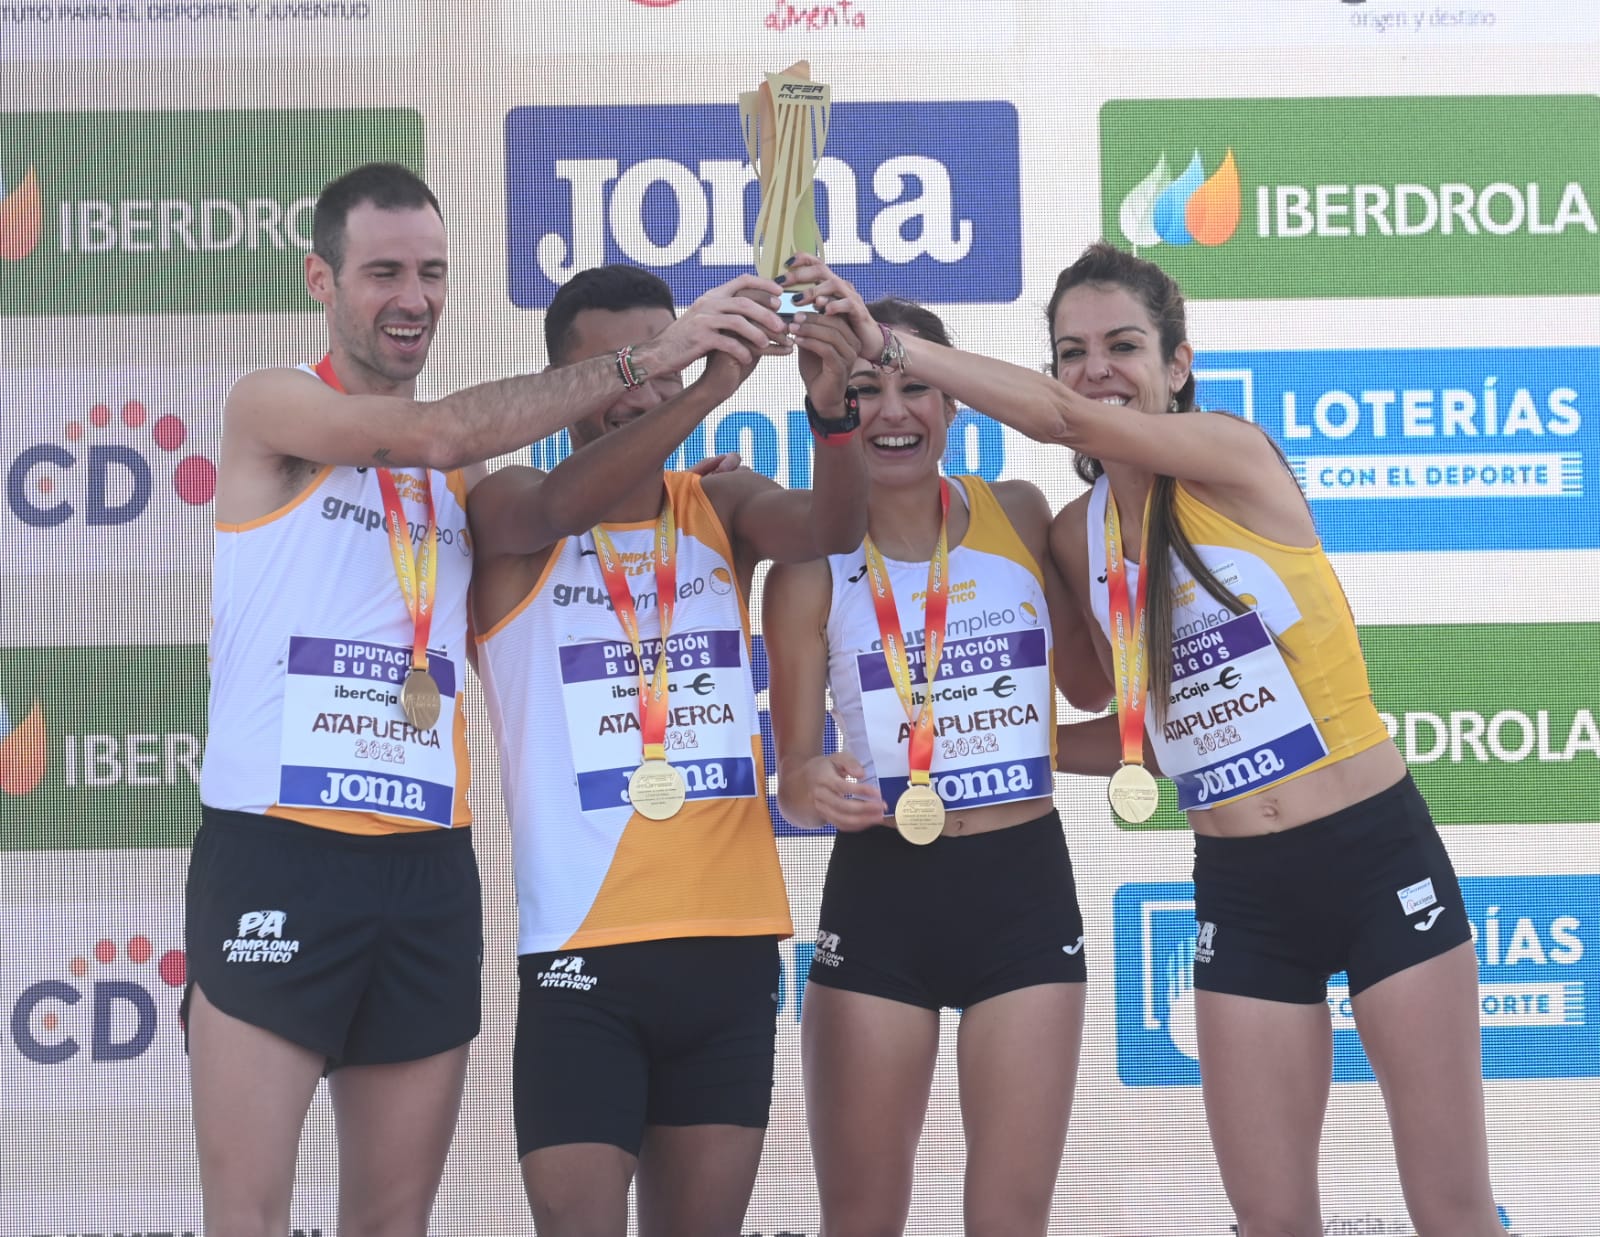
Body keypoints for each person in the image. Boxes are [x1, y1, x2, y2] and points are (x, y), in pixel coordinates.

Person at [785, 247, 1502, 1236]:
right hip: (1242, 891)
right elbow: (1133, 725)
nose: (1096, 369)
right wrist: (959, 750)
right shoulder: (1075, 535)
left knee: (1452, 1205)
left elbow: (1067, 422)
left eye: (1123, 345)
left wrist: (891, 346)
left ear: (1177, 365)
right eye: (1072, 351)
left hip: (1371, 853)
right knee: (1270, 1218)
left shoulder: (1231, 451)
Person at [185, 164, 791, 1237]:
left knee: (391, 1223)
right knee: (248, 1215)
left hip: (424, 873)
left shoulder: (463, 487)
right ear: (319, 278)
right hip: (277, 850)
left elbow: (550, 490)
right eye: (381, 272)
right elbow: (432, 433)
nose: (411, 295)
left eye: (430, 271)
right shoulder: (270, 407)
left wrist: (686, 415)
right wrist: (655, 352)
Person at [468, 264, 869, 1237]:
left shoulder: (720, 507)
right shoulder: (511, 510)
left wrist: (830, 408)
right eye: (619, 369)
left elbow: (832, 526)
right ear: (563, 379)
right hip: (579, 957)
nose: (639, 391)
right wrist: (703, 384)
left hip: (726, 954)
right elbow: (564, 504)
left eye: (661, 363)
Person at [762, 293, 1109, 1236]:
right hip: (883, 893)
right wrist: (807, 782)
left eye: (917, 386)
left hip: (1022, 888)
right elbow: (792, 765)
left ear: (953, 405)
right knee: (863, 1219)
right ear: (838, 410)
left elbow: (1089, 690)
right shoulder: (806, 562)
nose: (894, 410)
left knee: (1010, 1220)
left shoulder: (1026, 515)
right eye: (867, 390)